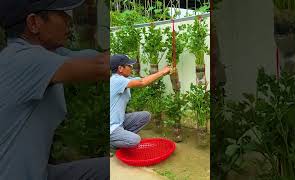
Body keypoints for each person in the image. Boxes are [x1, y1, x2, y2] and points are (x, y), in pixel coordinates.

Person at [0, 0, 109, 179]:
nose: (68, 19)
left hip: (39, 173)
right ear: (34, 23)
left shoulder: (46, 54)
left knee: (107, 168)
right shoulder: (24, 59)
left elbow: (94, 59)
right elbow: (100, 67)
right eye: (60, 13)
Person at [110, 54, 171, 150]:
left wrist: (158, 74)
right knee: (135, 140)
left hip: (119, 121)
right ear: (120, 68)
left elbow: (141, 79)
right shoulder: (116, 81)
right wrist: (162, 72)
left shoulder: (124, 79)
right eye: (129, 65)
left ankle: (121, 138)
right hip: (112, 128)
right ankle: (112, 144)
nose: (131, 67)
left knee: (145, 115)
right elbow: (142, 82)